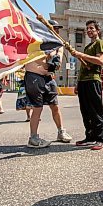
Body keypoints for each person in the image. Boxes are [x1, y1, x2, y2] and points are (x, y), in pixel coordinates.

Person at [24, 19, 72, 148]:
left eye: (57, 29)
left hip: (48, 79)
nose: (56, 31)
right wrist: (48, 56)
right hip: (34, 76)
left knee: (55, 105)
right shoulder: (37, 39)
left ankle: (61, 132)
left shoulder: (58, 44)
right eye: (53, 28)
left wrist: (56, 55)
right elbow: (34, 59)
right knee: (37, 107)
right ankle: (33, 138)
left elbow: (56, 64)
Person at [70, 20, 103, 150]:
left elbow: (99, 61)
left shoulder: (99, 43)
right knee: (85, 111)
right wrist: (77, 83)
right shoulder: (87, 47)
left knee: (96, 111)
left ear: (98, 30)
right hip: (83, 82)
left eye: (92, 28)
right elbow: (83, 67)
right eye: (87, 29)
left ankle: (100, 139)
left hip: (93, 80)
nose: (89, 30)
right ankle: (90, 137)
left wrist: (81, 54)